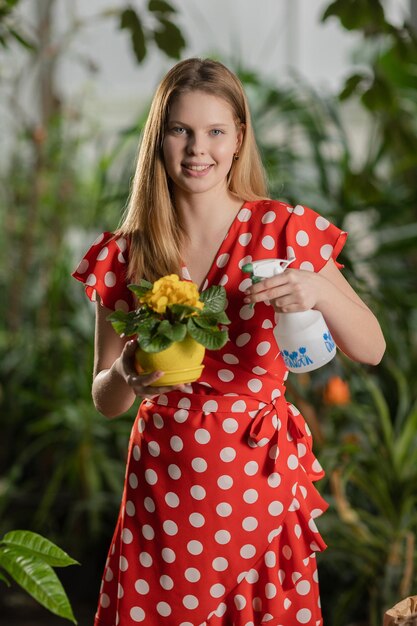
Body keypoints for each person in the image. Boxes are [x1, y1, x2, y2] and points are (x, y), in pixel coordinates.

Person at [73, 58, 385, 626]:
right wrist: (125, 377)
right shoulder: (125, 254)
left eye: (216, 131)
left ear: (239, 138)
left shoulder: (284, 230)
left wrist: (318, 287)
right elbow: (104, 396)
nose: (199, 148)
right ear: (159, 139)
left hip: (258, 488)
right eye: (181, 130)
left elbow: (371, 347)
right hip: (161, 500)